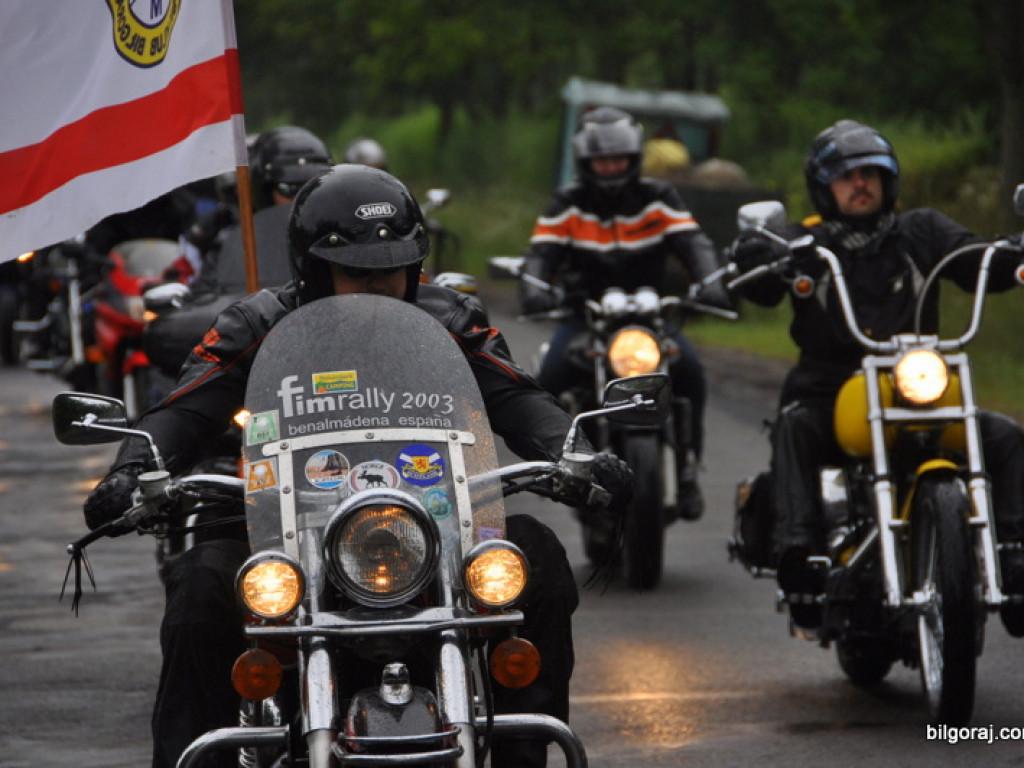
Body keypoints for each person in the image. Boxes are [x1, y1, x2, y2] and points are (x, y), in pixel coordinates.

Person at [82, 164, 634, 768]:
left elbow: (517, 397)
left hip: (438, 530)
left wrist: (574, 452)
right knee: (203, 585)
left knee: (539, 559)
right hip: (289, 533)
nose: (380, 285)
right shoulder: (257, 323)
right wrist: (132, 467)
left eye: (393, 269)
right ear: (314, 268)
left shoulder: (450, 318)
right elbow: (184, 411)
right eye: (357, 272)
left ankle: (523, 753)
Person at [729, 118, 1024, 634]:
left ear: (888, 181)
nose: (860, 183)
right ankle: (800, 558)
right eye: (846, 176)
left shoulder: (923, 231)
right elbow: (758, 286)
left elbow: (980, 262)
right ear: (825, 188)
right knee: (796, 424)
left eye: (870, 173)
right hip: (830, 388)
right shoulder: (806, 243)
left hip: (916, 385)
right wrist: (756, 255)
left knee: (1004, 436)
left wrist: (1012, 253)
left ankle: (1015, 556)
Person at [519, 106, 730, 522]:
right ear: (586, 161)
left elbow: (694, 243)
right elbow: (540, 254)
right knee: (549, 377)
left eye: (618, 158)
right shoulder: (569, 203)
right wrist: (534, 287)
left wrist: (710, 281)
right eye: (602, 160)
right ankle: (555, 469)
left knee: (690, 371)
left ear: (634, 159)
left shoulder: (659, 198)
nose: (611, 167)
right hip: (586, 317)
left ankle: (687, 469)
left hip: (648, 319)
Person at [190, 125, 332, 296]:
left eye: (312, 187)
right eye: (289, 188)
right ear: (263, 190)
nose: (301, 198)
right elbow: (203, 298)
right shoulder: (241, 246)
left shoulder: (340, 236)